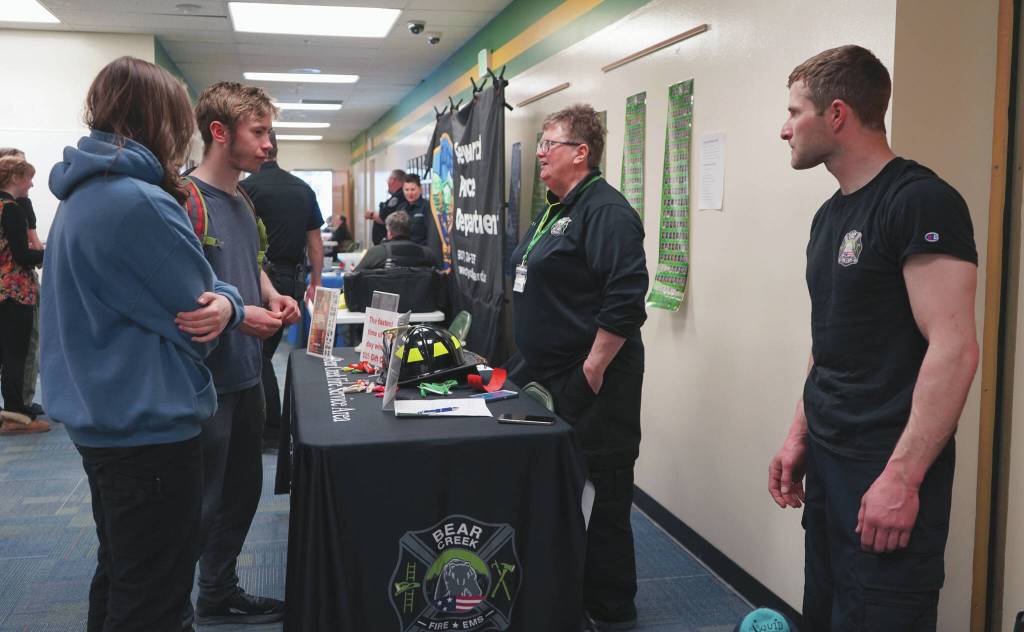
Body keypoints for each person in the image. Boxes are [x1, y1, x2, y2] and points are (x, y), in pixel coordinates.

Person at [769, 45, 979, 632]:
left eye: (794, 112)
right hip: (830, 464)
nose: (783, 130)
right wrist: (798, 434)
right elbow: (830, 342)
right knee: (828, 614)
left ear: (837, 114)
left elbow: (955, 348)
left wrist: (902, 478)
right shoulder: (829, 217)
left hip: (885, 466)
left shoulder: (919, 201)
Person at [41, 56, 244, 631]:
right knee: (155, 594)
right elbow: (198, 306)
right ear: (163, 118)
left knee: (124, 572)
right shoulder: (137, 201)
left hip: (103, 420)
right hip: (148, 429)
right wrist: (229, 302)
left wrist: (219, 298)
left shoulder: (81, 194)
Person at [508, 104, 648, 631]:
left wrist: (590, 371)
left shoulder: (606, 211)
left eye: (550, 143)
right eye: (541, 143)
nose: (540, 153)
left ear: (581, 152)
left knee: (604, 495)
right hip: (546, 374)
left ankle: (612, 612)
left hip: (593, 382)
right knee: (562, 492)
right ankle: (570, 594)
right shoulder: (556, 208)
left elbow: (627, 297)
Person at [186, 81, 301, 625]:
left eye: (268, 132)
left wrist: (273, 294)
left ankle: (217, 589)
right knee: (198, 505)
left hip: (246, 374)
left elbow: (249, 261)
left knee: (241, 493)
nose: (268, 145)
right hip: (202, 382)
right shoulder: (185, 200)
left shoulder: (241, 198)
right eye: (258, 133)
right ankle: (170, 603)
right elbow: (183, 293)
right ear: (218, 132)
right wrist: (237, 315)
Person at [240, 129, 323, 450]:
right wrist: (315, 283)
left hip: (259, 280)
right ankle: (270, 424)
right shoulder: (303, 189)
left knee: (258, 355)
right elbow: (314, 242)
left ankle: (271, 428)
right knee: (263, 354)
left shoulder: (245, 189)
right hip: (293, 280)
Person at [0, 155, 47, 435]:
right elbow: (22, 255)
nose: (31, 184)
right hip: (14, 293)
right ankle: (16, 416)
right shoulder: (12, 210)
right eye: (28, 178)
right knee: (15, 357)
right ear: (15, 179)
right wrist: (51, 253)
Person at [354, 210, 436, 270]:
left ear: (389, 233)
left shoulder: (377, 253)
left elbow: (354, 278)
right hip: (420, 294)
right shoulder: (427, 254)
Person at [365, 168, 406, 245]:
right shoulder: (397, 196)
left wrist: (371, 215)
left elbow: (384, 218)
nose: (387, 182)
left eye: (388, 179)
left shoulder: (398, 197)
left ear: (393, 180)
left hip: (389, 244)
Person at [401, 173, 431, 245]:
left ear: (420, 189)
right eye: (406, 190)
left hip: (421, 251)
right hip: (403, 250)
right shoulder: (401, 208)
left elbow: (431, 234)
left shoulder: (427, 207)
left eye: (413, 189)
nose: (410, 193)